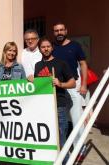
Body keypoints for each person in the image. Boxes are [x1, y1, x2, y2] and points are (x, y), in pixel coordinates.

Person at [34, 38, 75, 164]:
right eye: (43, 47)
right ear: (40, 49)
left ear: (52, 48)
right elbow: (37, 86)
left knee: (61, 139)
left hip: (59, 106)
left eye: (48, 46)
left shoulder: (61, 63)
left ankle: (65, 162)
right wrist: (32, 80)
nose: (45, 49)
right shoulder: (38, 65)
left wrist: (60, 83)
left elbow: (73, 83)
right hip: (43, 108)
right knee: (49, 139)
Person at [52, 22, 88, 150]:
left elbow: (83, 64)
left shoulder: (75, 46)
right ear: (54, 33)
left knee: (76, 116)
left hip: (73, 85)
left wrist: (84, 84)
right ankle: (65, 145)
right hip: (57, 87)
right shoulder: (51, 47)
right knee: (63, 118)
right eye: (56, 31)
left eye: (61, 30)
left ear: (66, 31)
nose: (59, 33)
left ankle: (80, 147)